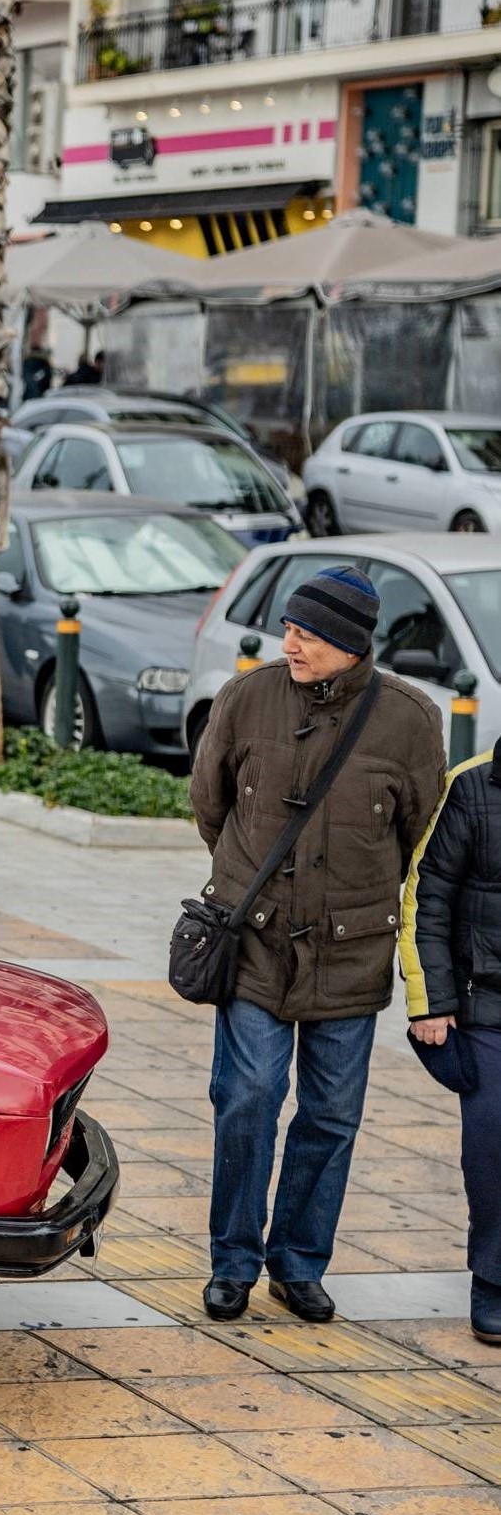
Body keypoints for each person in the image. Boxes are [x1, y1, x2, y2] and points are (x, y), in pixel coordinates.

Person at [190, 565, 443, 1324]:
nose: (289, 642)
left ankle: (299, 1263)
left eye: (307, 631)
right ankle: (232, 1260)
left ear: (350, 642)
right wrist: (248, 885)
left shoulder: (409, 717)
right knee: (248, 1098)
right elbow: (210, 804)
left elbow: (421, 838)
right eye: (289, 628)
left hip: (353, 950)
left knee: (331, 1114)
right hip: (257, 944)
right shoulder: (246, 697)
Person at [402, 744, 501, 1343]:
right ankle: (493, 1277)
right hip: (486, 1004)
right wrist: (431, 1001)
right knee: (492, 1146)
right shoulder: (472, 784)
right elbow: (427, 894)